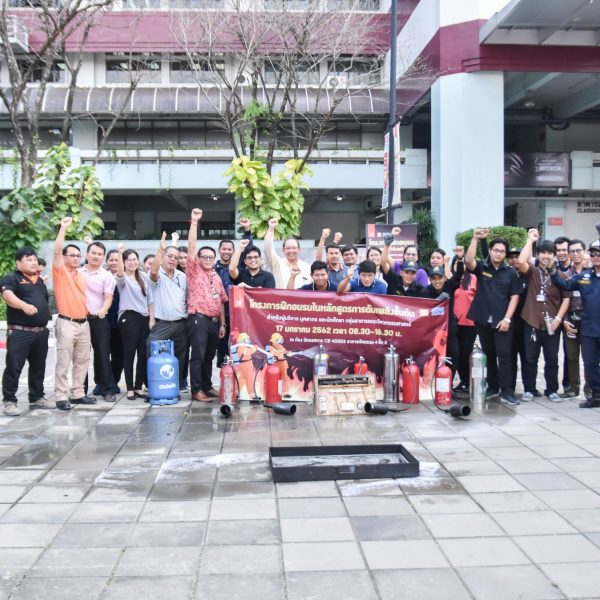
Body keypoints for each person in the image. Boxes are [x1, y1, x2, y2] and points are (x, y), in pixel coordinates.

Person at [465, 228, 522, 405]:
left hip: (502, 320)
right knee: (488, 353)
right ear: (490, 251)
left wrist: (507, 319)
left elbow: (515, 296)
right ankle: (493, 386)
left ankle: (507, 391)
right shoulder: (483, 267)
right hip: (483, 318)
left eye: (502, 251)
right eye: (495, 250)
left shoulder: (511, 272)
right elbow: (468, 261)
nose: (499, 253)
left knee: (504, 355)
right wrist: (475, 239)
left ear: (506, 254)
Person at [516, 230, 570, 402]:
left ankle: (552, 390)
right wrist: (530, 240)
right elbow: (520, 261)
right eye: (543, 252)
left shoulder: (561, 276)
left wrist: (558, 320)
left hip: (552, 323)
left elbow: (566, 300)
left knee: (552, 359)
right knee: (530, 358)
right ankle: (529, 389)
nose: (546, 256)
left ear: (555, 256)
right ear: (538, 254)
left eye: (550, 253)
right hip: (531, 320)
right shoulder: (532, 271)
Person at [2, 248, 53, 416]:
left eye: (34, 259)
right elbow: (7, 295)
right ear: (18, 263)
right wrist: (23, 305)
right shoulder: (12, 278)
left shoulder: (39, 281)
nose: (33, 262)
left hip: (40, 332)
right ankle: (9, 401)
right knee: (14, 367)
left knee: (39, 367)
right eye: (29, 259)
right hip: (20, 332)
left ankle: (37, 397)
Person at [52, 217, 94, 410]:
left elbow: (95, 255)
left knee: (83, 360)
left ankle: (77, 393)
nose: (76, 258)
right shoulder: (60, 272)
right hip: (66, 322)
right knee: (64, 360)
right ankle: (61, 396)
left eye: (78, 256)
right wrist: (63, 228)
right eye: (72, 255)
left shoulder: (82, 274)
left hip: (84, 323)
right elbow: (57, 250)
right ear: (65, 257)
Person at [551, 243, 600, 408]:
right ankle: (596, 395)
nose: (595, 256)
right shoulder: (585, 277)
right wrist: (552, 271)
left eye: (598, 253)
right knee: (590, 364)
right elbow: (565, 285)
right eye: (592, 253)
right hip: (589, 329)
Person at [186, 208, 227, 402]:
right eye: (205, 257)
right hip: (198, 318)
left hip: (213, 321)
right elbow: (192, 247)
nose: (208, 260)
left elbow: (221, 300)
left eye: (211, 257)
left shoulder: (216, 276)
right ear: (199, 260)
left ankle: (206, 385)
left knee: (209, 356)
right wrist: (195, 222)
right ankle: (196, 390)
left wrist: (222, 324)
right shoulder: (194, 271)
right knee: (198, 356)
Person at [147, 234, 188, 391]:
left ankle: (176, 384)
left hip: (180, 323)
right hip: (162, 324)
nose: (173, 260)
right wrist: (160, 249)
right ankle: (152, 384)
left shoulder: (182, 277)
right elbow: (153, 271)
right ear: (163, 258)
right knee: (151, 349)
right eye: (169, 256)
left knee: (181, 356)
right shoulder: (157, 276)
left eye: (176, 257)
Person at [81, 241, 118, 402]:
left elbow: (108, 297)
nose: (96, 256)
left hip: (98, 319)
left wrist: (103, 310)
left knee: (102, 354)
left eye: (99, 254)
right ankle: (80, 390)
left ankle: (107, 389)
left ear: (103, 257)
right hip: (79, 319)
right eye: (93, 253)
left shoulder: (107, 275)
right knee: (80, 356)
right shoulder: (77, 273)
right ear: (87, 254)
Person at [214, 218, 253, 367]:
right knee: (222, 348)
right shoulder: (213, 269)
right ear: (219, 250)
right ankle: (225, 377)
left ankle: (241, 377)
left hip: (239, 314)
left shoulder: (239, 269)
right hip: (221, 316)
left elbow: (249, 249)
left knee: (241, 348)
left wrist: (247, 230)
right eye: (224, 249)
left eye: (229, 249)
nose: (226, 251)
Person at [116, 246, 150, 400]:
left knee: (143, 354)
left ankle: (138, 386)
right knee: (129, 354)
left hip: (144, 318)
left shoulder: (143, 276)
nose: (132, 262)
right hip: (129, 318)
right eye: (128, 260)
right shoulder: (122, 279)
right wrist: (119, 251)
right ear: (123, 262)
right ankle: (129, 387)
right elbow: (121, 273)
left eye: (135, 259)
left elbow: (151, 300)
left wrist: (152, 319)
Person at [561, 238, 590, 399]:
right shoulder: (566, 275)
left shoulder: (592, 273)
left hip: (588, 321)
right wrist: (564, 320)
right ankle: (573, 387)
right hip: (570, 320)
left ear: (584, 252)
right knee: (571, 355)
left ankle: (590, 388)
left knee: (589, 357)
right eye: (572, 251)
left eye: (579, 250)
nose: (576, 254)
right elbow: (561, 300)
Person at [453, 248, 478, 395]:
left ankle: (469, 382)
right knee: (458, 354)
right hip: (455, 324)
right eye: (456, 263)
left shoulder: (472, 279)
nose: (459, 266)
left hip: (469, 323)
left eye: (461, 263)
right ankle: (463, 381)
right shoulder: (453, 280)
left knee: (466, 353)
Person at [264, 217, 311, 288]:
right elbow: (268, 248)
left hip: (301, 298)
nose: (291, 251)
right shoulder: (277, 263)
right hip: (281, 299)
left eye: (294, 248)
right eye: (288, 248)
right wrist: (271, 229)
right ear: (283, 250)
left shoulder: (307, 267)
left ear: (299, 250)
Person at [104, 249, 123, 392]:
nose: (114, 262)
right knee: (102, 354)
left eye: (117, 260)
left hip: (120, 324)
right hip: (103, 322)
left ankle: (114, 382)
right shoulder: (102, 276)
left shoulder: (126, 278)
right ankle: (101, 383)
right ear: (107, 262)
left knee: (118, 355)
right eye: (111, 260)